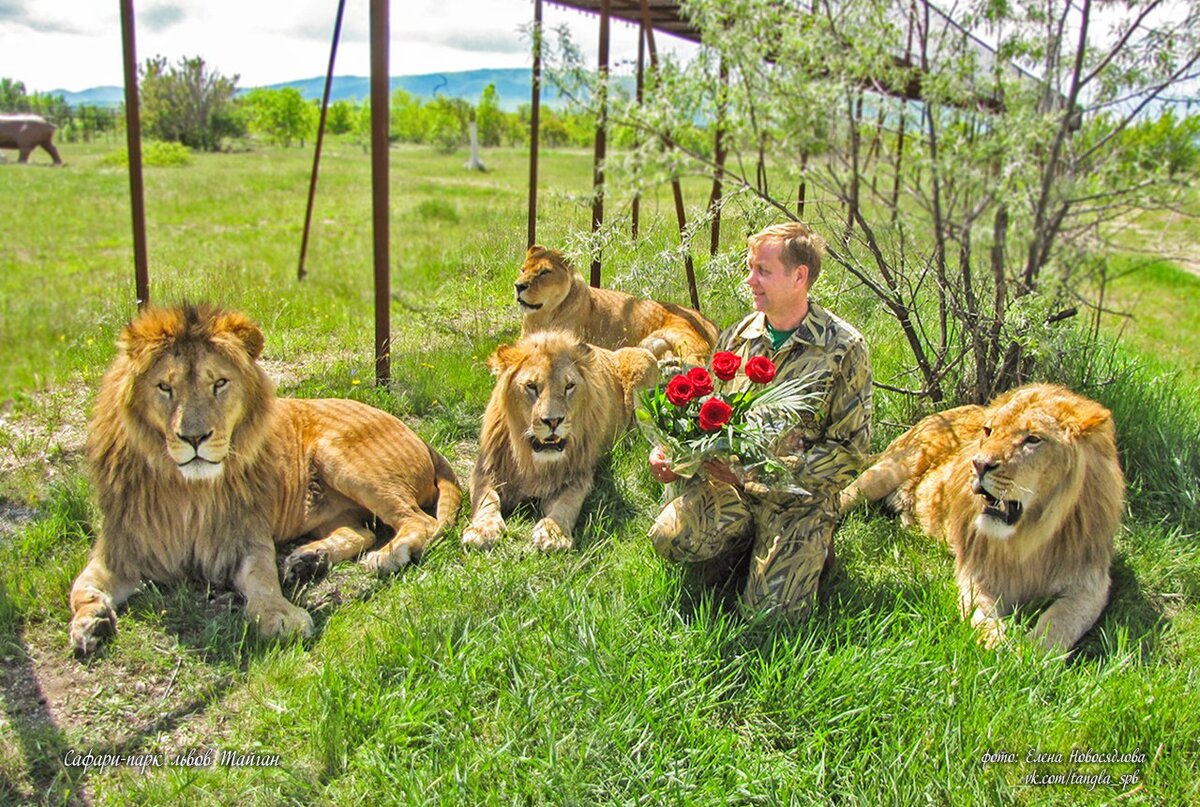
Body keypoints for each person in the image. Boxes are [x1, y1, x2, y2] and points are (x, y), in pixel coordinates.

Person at [647, 221, 873, 619]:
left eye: (763, 271)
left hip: (796, 502)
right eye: (750, 268)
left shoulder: (843, 347)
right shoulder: (738, 337)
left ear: (799, 276)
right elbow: (708, 416)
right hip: (730, 489)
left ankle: (808, 549)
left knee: (772, 615)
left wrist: (758, 475)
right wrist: (672, 455)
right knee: (671, 537)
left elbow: (851, 452)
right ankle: (741, 549)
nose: (750, 280)